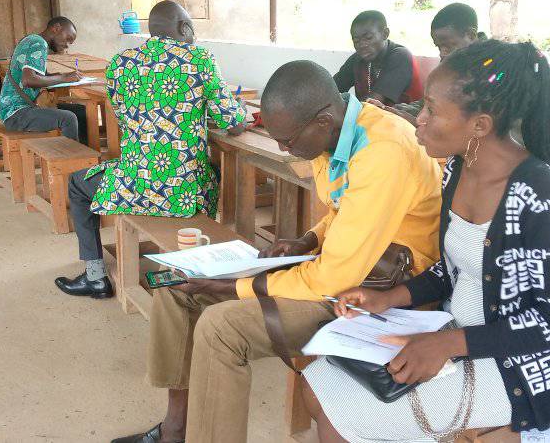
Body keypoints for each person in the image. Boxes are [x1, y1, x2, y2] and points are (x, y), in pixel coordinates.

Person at [111, 59, 443, 443]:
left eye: (287, 140)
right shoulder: (336, 134)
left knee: (222, 327)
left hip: (379, 293)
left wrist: (234, 288)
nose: (284, 148)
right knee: (176, 288)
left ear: (322, 120)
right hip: (348, 265)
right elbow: (343, 210)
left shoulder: (383, 150)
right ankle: (177, 427)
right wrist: (309, 239)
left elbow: (334, 278)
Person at [301, 40, 550, 442]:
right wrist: (390, 298)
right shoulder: (456, 170)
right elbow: (455, 267)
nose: (418, 119)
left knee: (341, 412)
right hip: (455, 334)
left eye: (432, 110)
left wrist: (449, 344)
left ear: (479, 126)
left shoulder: (542, 200)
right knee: (317, 385)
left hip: (517, 367)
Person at [54, 1, 247, 300]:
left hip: (133, 186)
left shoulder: (120, 63)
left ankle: (95, 277)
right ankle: (209, 261)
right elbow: (231, 121)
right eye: (191, 28)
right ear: (184, 27)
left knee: (78, 184)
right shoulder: (200, 59)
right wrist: (235, 110)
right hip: (185, 192)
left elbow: (127, 115)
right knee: (214, 172)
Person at [392, 2, 487, 123]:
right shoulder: (455, 60)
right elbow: (433, 101)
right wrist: (401, 110)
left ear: (471, 35)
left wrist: (415, 121)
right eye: (439, 47)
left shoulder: (495, 68)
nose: (442, 53)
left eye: (448, 46)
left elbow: (465, 121)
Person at [0, 16, 86, 140]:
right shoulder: (39, 43)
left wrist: (63, 76)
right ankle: (71, 158)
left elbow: (41, 77)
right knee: (69, 118)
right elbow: (29, 80)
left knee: (80, 111)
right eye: (68, 39)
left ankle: (83, 154)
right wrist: (63, 77)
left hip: (16, 110)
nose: (67, 45)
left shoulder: (31, 39)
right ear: (56, 28)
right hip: (16, 113)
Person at [333, 10, 420, 106]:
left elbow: (373, 102)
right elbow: (332, 88)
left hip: (403, 119)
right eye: (356, 41)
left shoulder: (400, 56)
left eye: (368, 38)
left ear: (385, 34)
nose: (362, 45)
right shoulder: (357, 59)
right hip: (372, 118)